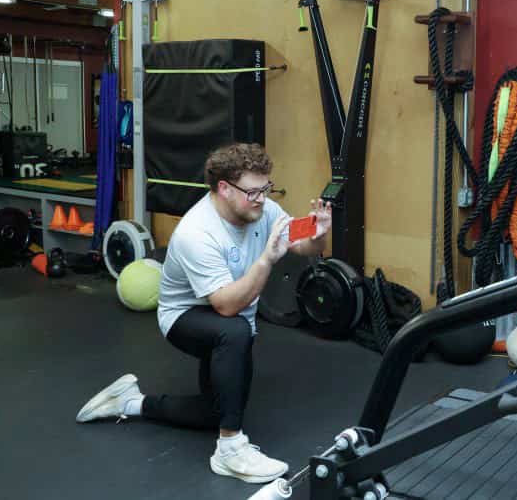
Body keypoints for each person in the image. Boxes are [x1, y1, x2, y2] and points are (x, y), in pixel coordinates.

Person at [76, 143, 331, 484]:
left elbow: (301, 246)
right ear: (224, 188)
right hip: (185, 316)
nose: (262, 198)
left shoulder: (262, 208)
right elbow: (226, 305)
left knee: (219, 409)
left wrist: (318, 235)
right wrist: (267, 260)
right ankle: (229, 450)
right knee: (235, 331)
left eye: (266, 188)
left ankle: (131, 403)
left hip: (229, 313)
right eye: (253, 191)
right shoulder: (197, 232)